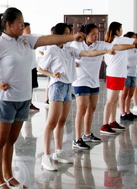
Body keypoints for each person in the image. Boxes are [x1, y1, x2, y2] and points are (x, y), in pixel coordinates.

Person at [0, 9, 85, 189]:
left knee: (11, 140)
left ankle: (9, 176)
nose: (23, 25)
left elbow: (48, 39)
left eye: (23, 22)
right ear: (9, 24)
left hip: (23, 98)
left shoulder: (26, 40)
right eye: (19, 22)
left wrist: (71, 37)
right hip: (5, 100)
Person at [38, 23, 112, 164]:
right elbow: (40, 69)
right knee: (52, 122)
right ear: (59, 35)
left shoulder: (69, 49)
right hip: (57, 86)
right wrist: (52, 74)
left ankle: (58, 152)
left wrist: (106, 51)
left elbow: (88, 53)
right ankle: (46, 156)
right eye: (67, 33)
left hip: (68, 86)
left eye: (70, 33)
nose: (70, 36)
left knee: (62, 121)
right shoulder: (52, 50)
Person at [71, 23, 130, 148]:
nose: (95, 36)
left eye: (97, 34)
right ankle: (77, 138)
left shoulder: (100, 44)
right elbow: (69, 54)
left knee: (92, 108)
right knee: (82, 108)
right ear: (85, 34)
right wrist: (72, 63)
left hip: (94, 81)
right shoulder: (76, 44)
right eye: (93, 34)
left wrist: (135, 45)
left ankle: (87, 134)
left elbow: (117, 46)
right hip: (81, 80)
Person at [101, 22, 137, 136]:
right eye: (121, 29)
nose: (122, 31)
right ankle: (105, 125)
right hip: (115, 74)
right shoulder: (118, 40)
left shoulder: (114, 40)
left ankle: (112, 122)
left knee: (114, 100)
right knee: (111, 100)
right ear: (117, 30)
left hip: (117, 73)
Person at [23, 22, 40, 111]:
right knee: (24, 86)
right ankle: (24, 104)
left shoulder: (32, 38)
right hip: (24, 68)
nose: (29, 30)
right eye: (27, 29)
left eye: (30, 29)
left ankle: (30, 103)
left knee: (31, 86)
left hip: (32, 66)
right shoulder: (20, 39)